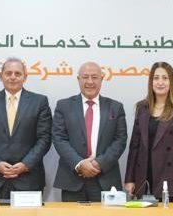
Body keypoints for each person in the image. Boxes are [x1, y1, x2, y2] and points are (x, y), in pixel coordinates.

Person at [0, 57, 52, 201]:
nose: (13, 77)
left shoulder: (40, 102)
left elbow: (44, 138)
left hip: (28, 179)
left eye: (17, 73)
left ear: (25, 77)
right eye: (8, 73)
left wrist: (25, 164)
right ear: (1, 76)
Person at [51, 61, 128, 201]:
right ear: (78, 79)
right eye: (85, 77)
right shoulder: (64, 106)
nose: (90, 82)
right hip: (72, 179)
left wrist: (99, 163)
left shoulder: (116, 107)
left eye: (94, 77)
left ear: (102, 79)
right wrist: (80, 164)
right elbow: (59, 138)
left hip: (105, 179)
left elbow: (120, 140)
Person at [123, 61, 173, 200]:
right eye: (156, 78)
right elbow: (134, 146)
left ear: (172, 82)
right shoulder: (142, 107)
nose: (160, 82)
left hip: (172, 175)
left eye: (165, 78)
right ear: (151, 82)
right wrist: (129, 178)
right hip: (144, 174)